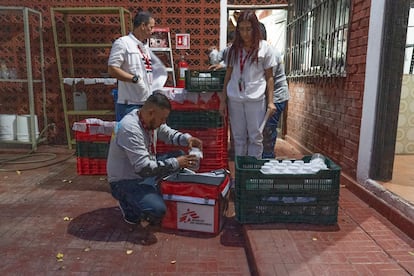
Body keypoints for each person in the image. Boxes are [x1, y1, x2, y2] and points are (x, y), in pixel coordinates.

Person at [106, 92, 203, 225]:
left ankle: (153, 189)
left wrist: (187, 139)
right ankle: (128, 204)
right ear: (151, 112)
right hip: (126, 180)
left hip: (144, 169)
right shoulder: (130, 129)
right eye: (162, 118)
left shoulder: (148, 119)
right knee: (157, 210)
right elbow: (143, 169)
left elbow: (167, 133)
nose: (163, 122)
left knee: (178, 155)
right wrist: (176, 163)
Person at [219, 10, 276, 159]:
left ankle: (253, 172)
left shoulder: (265, 48)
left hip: (256, 99)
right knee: (238, 138)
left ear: (255, 28)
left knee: (256, 137)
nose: (245, 33)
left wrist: (271, 101)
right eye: (242, 29)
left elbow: (270, 77)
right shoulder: (232, 50)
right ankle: (241, 173)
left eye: (248, 29)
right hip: (235, 99)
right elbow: (228, 75)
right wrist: (223, 100)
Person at [108, 9, 167, 121]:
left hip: (145, 102)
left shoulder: (144, 47)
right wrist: (134, 79)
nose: (152, 31)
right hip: (129, 104)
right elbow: (112, 69)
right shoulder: (123, 43)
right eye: (151, 27)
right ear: (142, 26)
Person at [259, 23, 290, 159]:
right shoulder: (263, 51)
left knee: (269, 129)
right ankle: (266, 156)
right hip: (272, 96)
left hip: (276, 97)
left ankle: (268, 159)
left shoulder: (269, 52)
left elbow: (268, 79)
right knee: (266, 129)